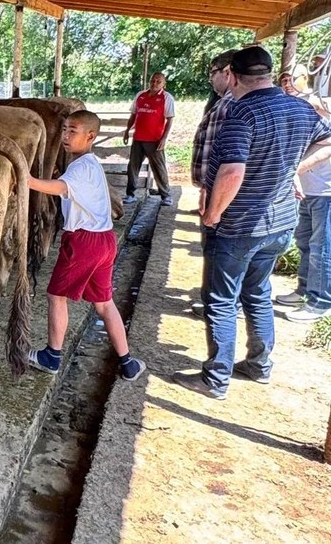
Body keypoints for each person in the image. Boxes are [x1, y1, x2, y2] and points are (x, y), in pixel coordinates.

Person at [172, 46, 331, 399]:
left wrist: (213, 214)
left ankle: (216, 379)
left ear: (232, 75)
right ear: (269, 72)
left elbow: (232, 172)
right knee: (257, 293)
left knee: (221, 300)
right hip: (280, 223)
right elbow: (327, 140)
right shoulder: (299, 108)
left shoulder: (242, 113)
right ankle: (259, 365)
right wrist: (294, 168)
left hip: (239, 224)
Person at [27, 110, 146, 382]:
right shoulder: (90, 164)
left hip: (84, 241)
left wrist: (28, 180)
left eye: (73, 131)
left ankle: (51, 356)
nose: (66, 136)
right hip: (104, 239)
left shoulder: (81, 167)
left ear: (90, 136)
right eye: (65, 129)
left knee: (56, 295)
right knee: (104, 303)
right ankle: (128, 363)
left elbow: (60, 188)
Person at [189, 50, 238, 319]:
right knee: (219, 250)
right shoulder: (225, 102)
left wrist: (211, 196)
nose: (211, 79)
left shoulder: (231, 105)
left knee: (219, 248)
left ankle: (219, 305)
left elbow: (224, 158)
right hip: (219, 189)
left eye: (213, 73)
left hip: (223, 193)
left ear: (227, 72)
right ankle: (220, 301)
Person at [274, 128, 331, 324]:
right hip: (309, 190)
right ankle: (305, 290)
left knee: (322, 249)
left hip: (326, 193)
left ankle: (321, 302)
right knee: (305, 244)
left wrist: (292, 171)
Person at [123, 72, 176, 206]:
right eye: (153, 80)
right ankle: (130, 194)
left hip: (155, 140)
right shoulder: (140, 95)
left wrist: (164, 138)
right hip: (138, 138)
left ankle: (166, 196)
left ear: (164, 84)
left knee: (159, 168)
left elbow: (170, 119)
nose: (154, 83)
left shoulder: (166, 98)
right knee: (133, 167)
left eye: (158, 81)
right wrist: (127, 131)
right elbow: (133, 115)